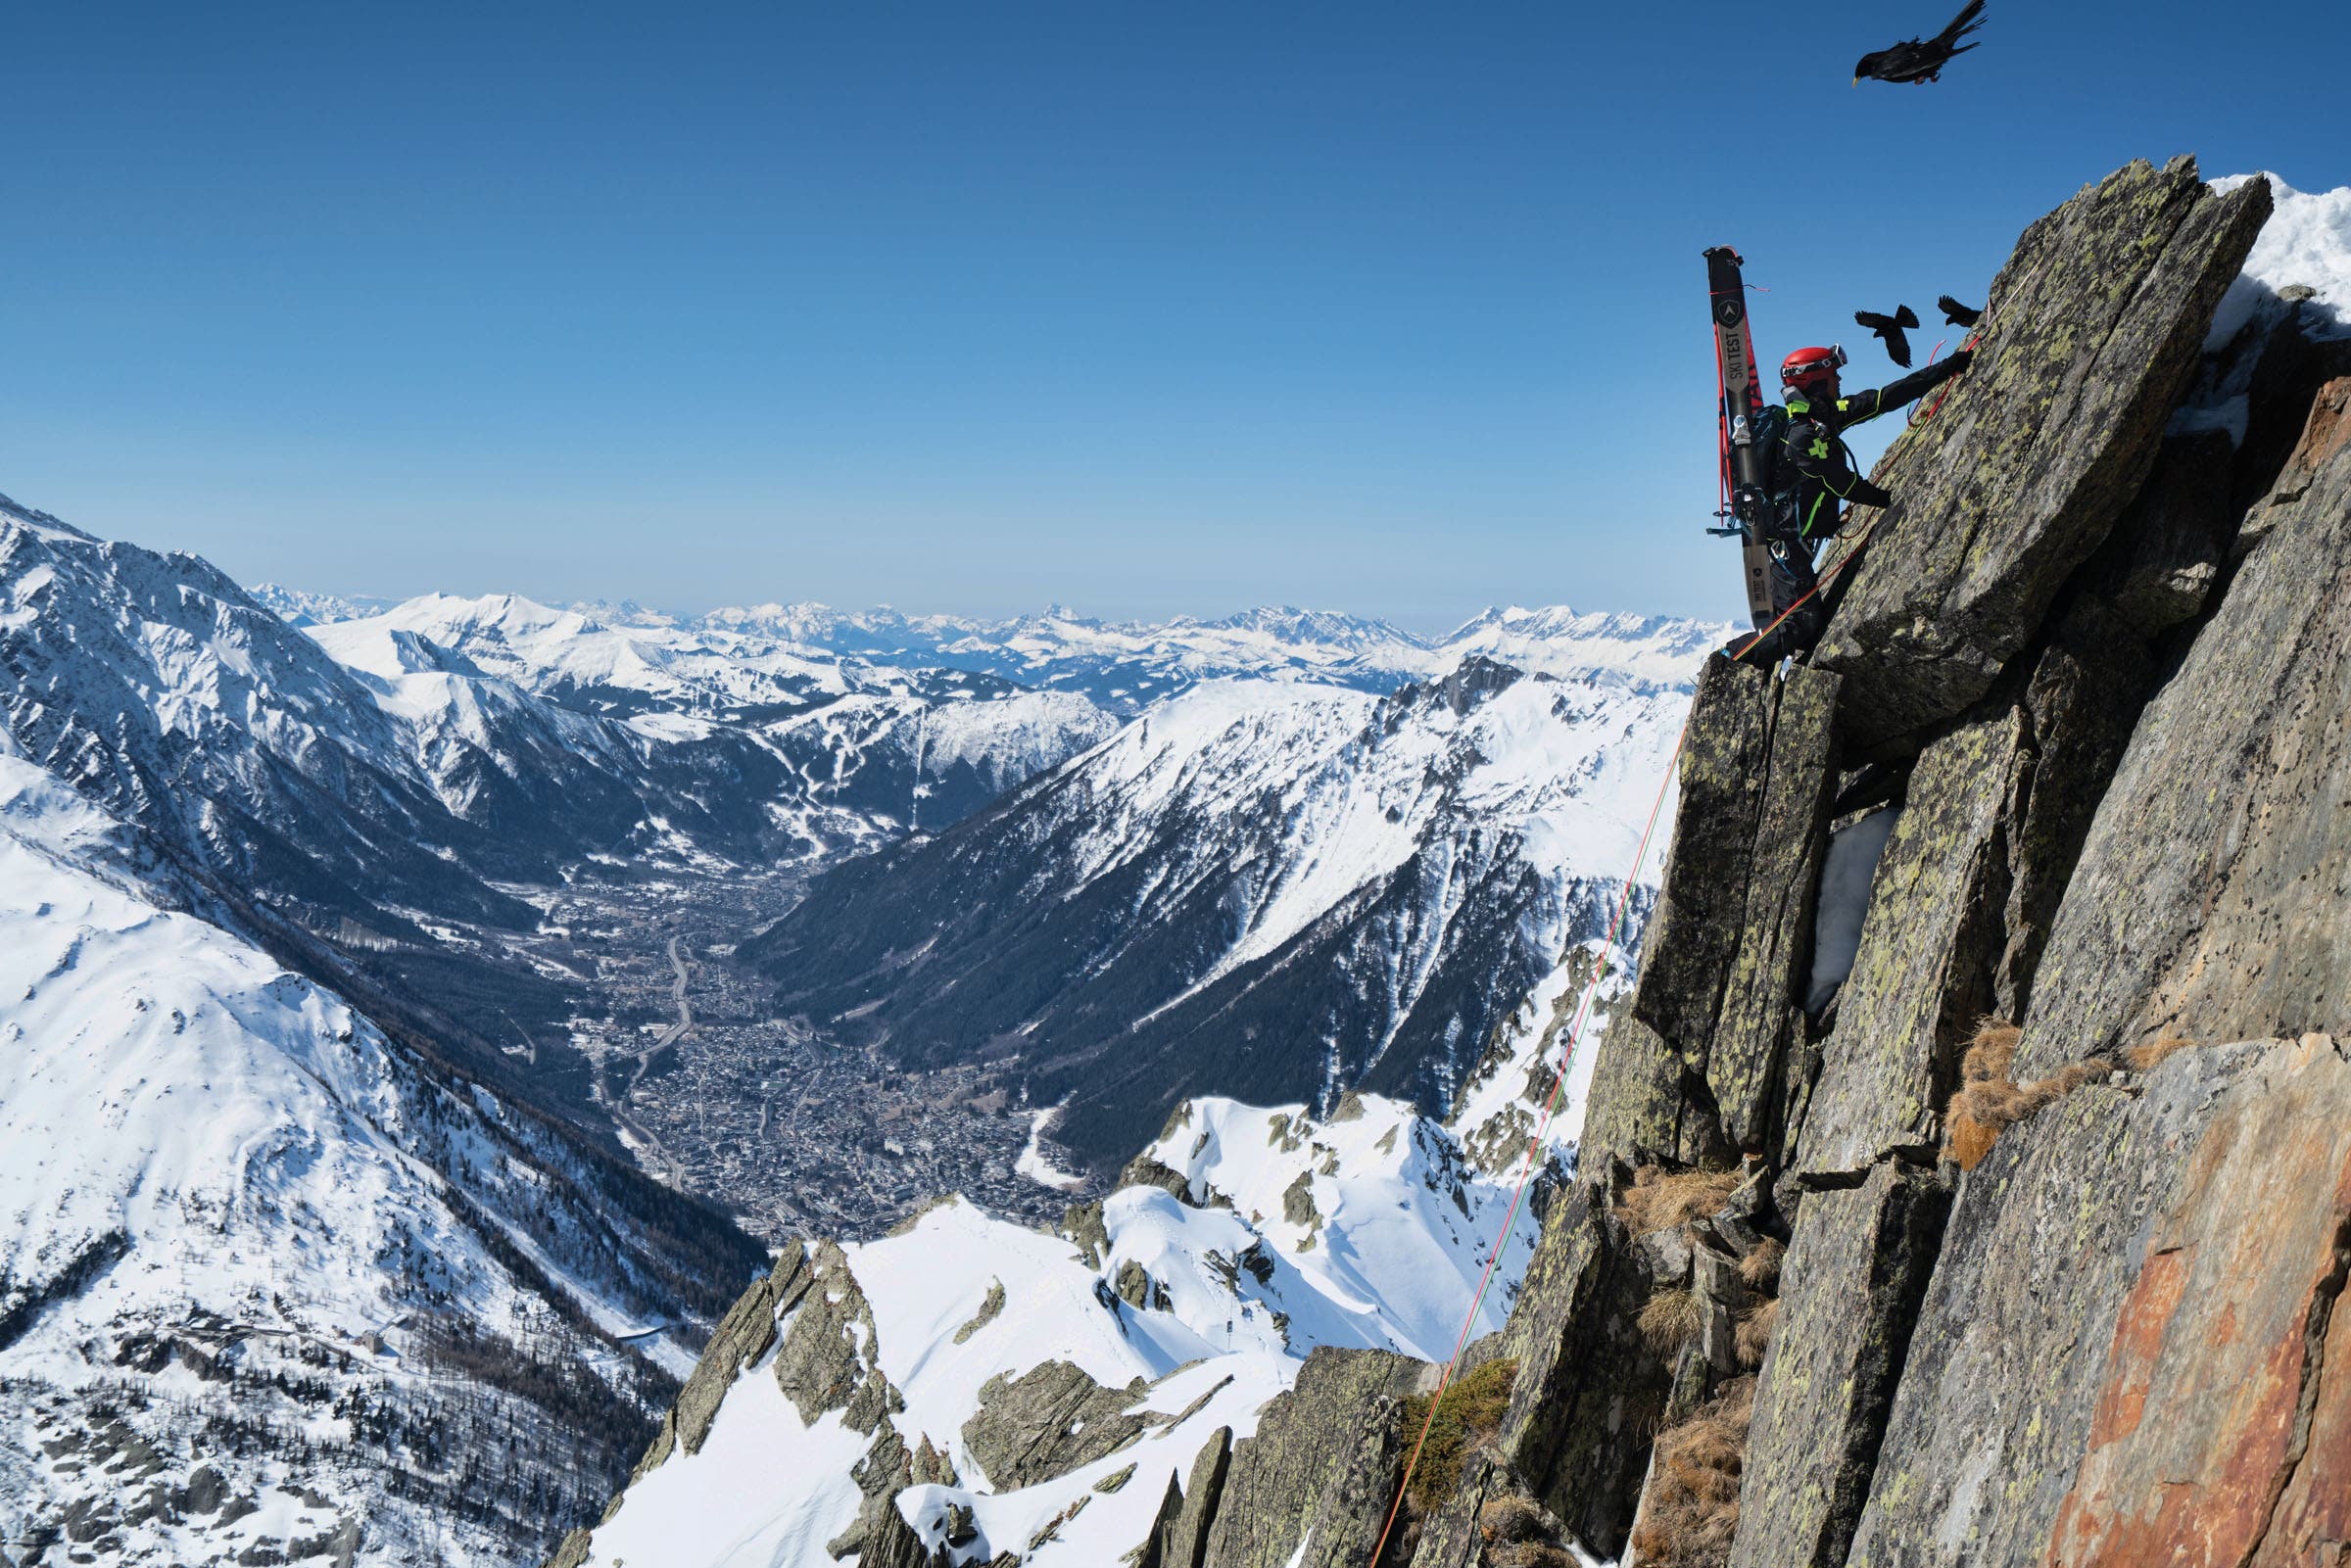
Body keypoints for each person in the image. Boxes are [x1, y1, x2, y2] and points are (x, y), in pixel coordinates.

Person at [1725, 342, 1974, 666]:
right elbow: (1840, 482)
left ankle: (1749, 664)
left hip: (1794, 541)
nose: (1839, 381)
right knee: (1802, 621)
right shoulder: (1801, 435)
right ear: (1815, 381)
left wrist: (1946, 368)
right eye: (1833, 375)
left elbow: (1883, 398)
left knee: (1804, 627)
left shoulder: (1822, 417)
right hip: (1786, 545)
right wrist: (1889, 500)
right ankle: (1730, 660)